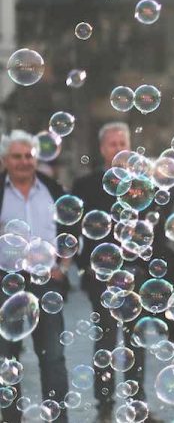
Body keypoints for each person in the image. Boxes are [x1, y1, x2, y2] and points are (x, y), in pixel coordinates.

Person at [72, 122, 173, 421]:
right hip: (100, 277)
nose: (118, 148)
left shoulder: (143, 184)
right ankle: (104, 408)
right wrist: (85, 268)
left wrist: (150, 268)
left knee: (136, 342)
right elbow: (74, 229)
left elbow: (155, 231)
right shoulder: (85, 185)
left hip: (136, 276)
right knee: (104, 341)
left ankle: (136, 404)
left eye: (122, 143)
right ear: (102, 149)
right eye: (112, 143)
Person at [0, 130, 71, 423]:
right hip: (7, 283)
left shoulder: (53, 188)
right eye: (17, 156)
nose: (23, 162)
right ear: (5, 160)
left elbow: (71, 232)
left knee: (53, 356)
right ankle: (10, 418)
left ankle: (58, 418)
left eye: (28, 156)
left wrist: (62, 267)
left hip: (47, 283)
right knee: (6, 358)